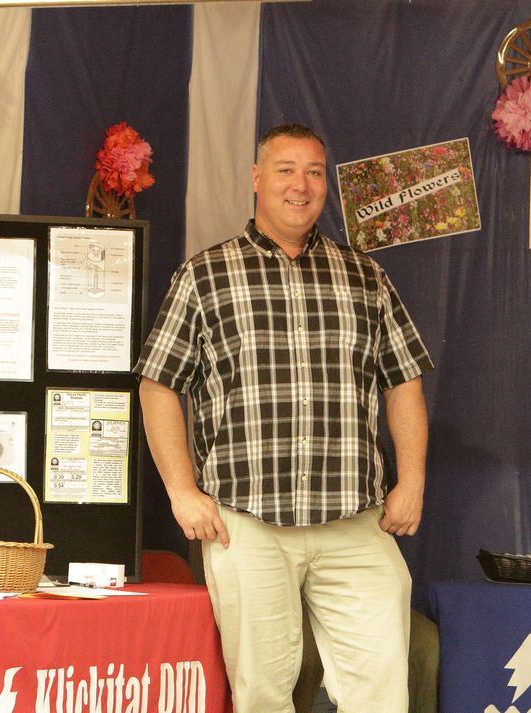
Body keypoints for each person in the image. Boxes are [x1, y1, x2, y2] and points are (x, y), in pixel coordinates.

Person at [134, 124, 432, 713]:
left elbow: (404, 380)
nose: (301, 185)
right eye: (286, 169)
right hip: (247, 523)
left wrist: (413, 479)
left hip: (354, 521)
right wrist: (182, 491)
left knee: (383, 688)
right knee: (263, 693)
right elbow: (157, 386)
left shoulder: (366, 277)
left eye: (315, 172)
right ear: (255, 178)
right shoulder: (204, 276)